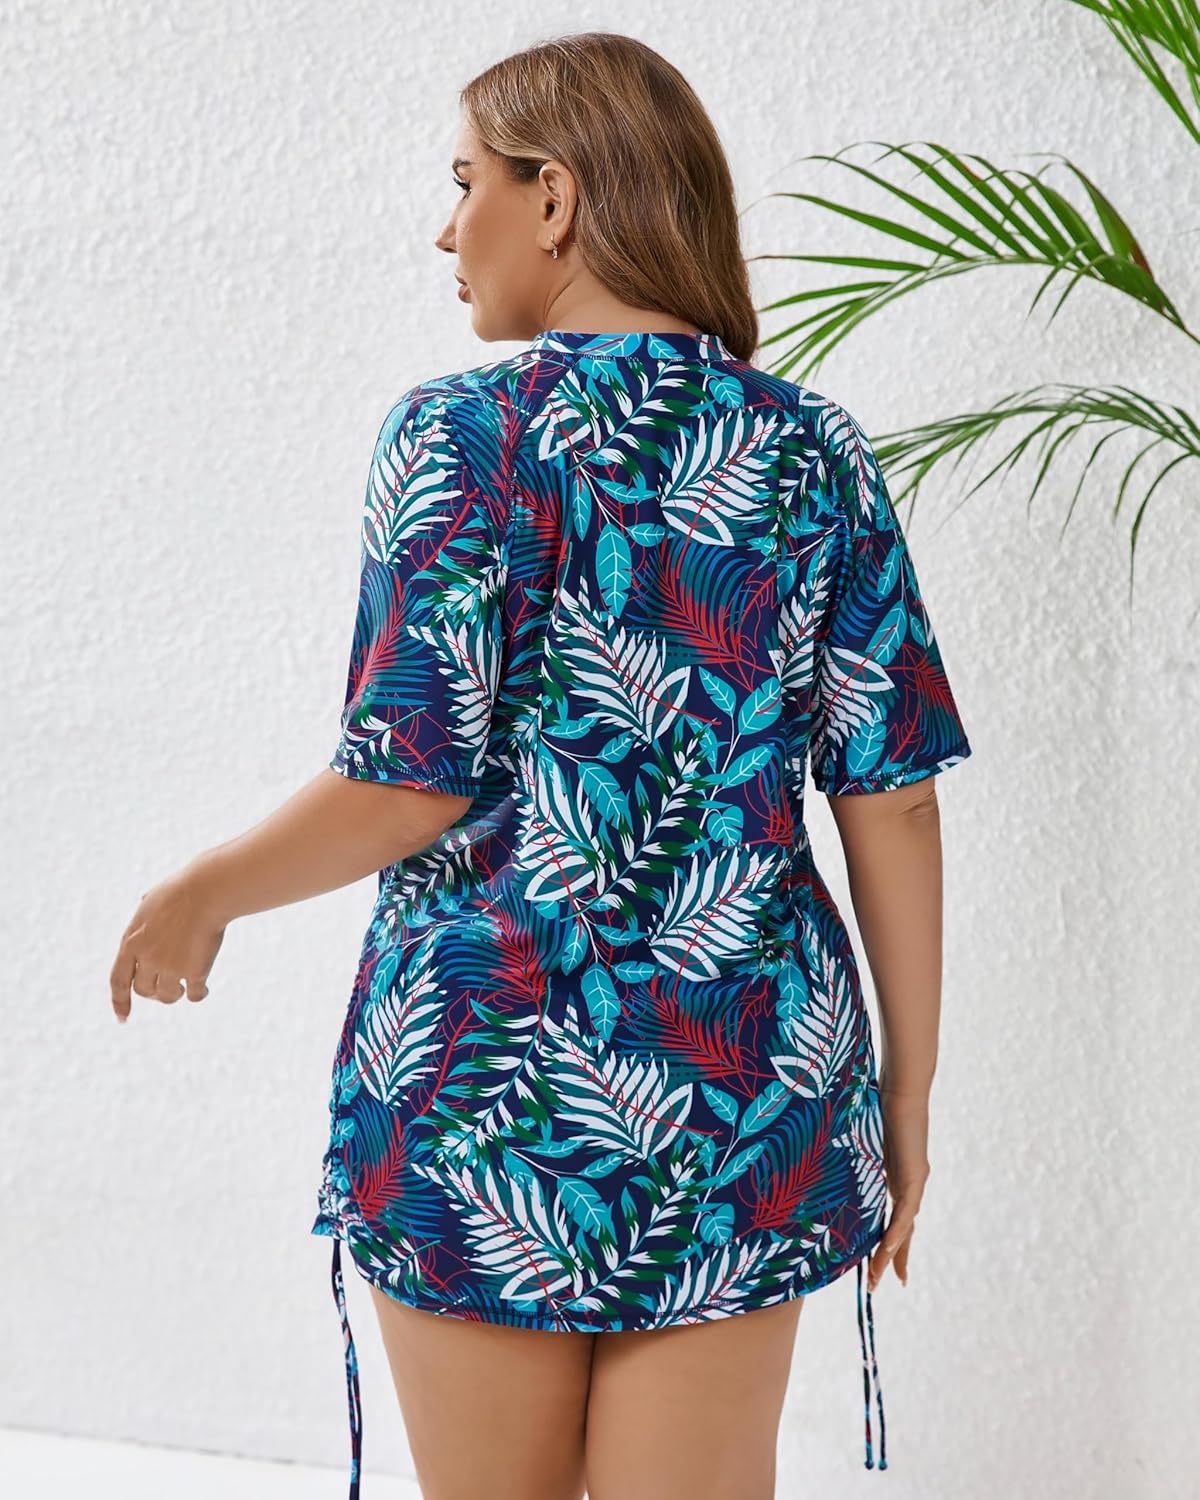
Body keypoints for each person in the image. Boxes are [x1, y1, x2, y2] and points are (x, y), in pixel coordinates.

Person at [108, 29, 973, 1500]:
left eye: (466, 183)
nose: (446, 229)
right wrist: (908, 1090)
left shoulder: (461, 434)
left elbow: (410, 779)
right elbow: (893, 800)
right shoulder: (814, 450)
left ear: (555, 198)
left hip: (483, 1088)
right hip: (743, 1090)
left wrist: (207, 890)